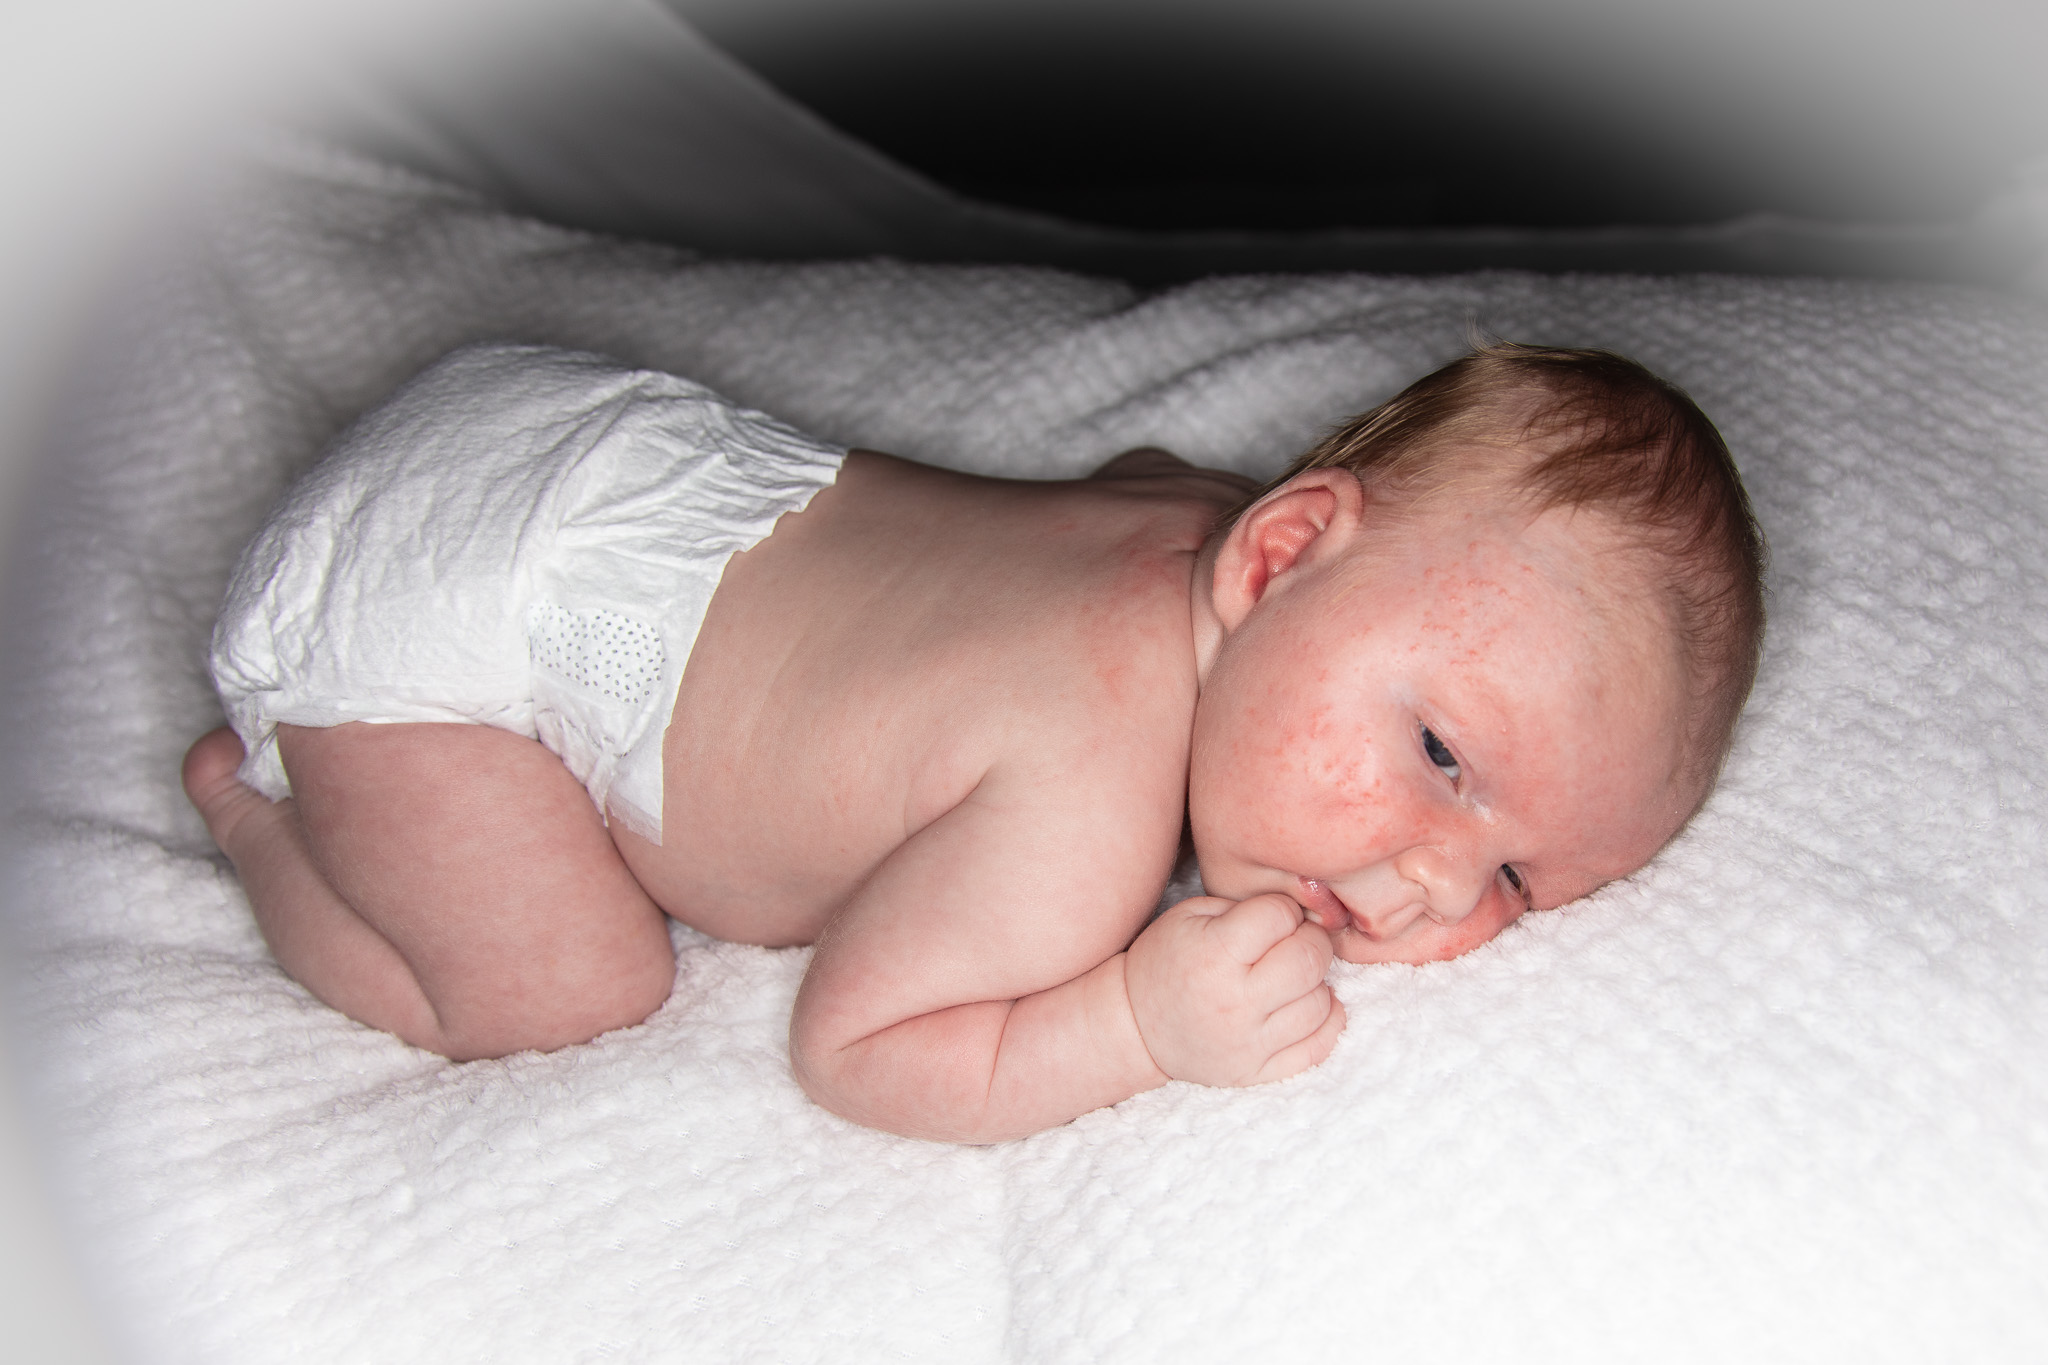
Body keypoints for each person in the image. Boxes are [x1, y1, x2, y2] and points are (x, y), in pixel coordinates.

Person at [181, 340, 1765, 1143]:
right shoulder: (1082, 791)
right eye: (1442, 756)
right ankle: (265, 815)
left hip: (583, 438)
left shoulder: (1207, 529)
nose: (1440, 886)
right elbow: (857, 1047)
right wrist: (1137, 1021)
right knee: (567, 989)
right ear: (1281, 552)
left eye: (1522, 880)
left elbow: (1136, 464)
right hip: (439, 625)